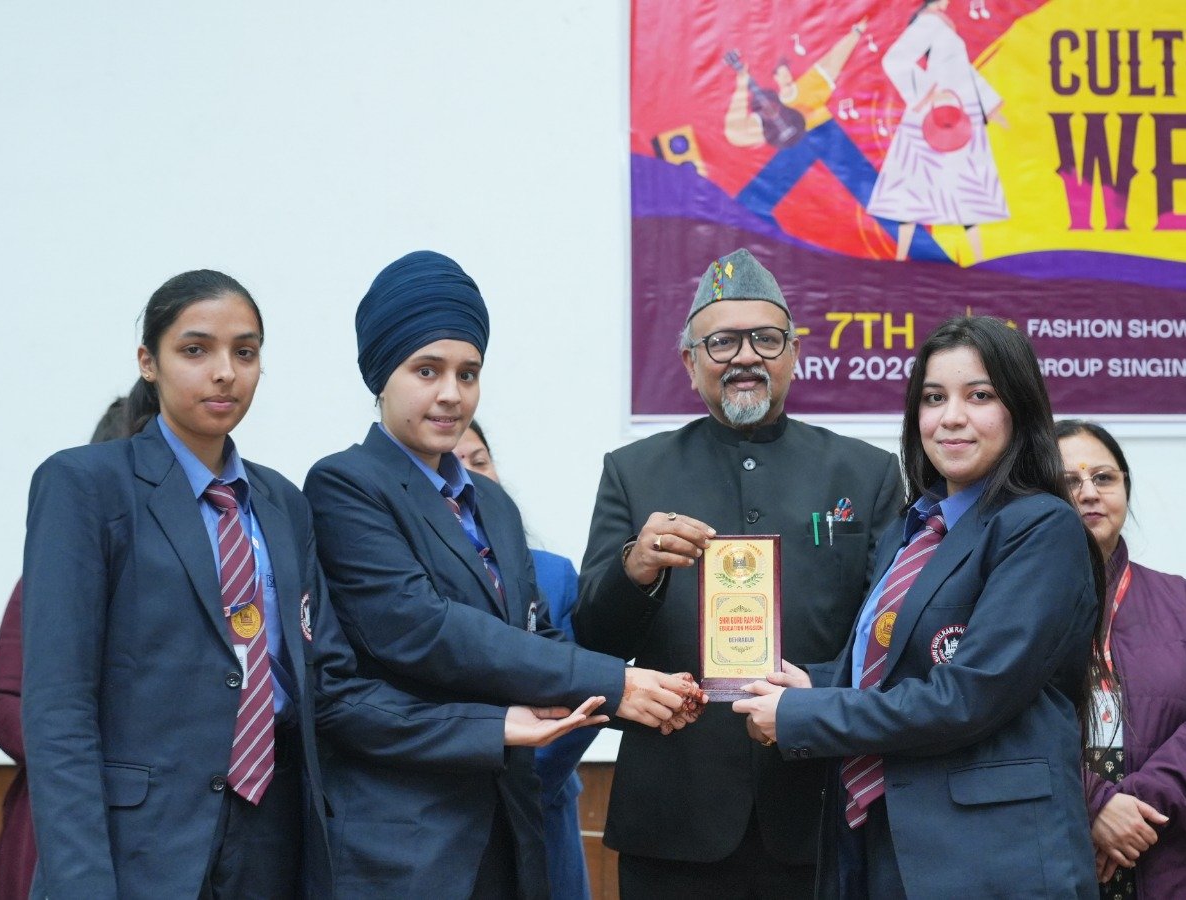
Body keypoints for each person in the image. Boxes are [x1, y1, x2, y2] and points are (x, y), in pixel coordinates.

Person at [22, 271, 587, 899]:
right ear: (148, 362)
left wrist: (493, 723)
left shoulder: (281, 503)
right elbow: (58, 708)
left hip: (276, 830)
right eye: (195, 350)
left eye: (245, 352)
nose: (224, 373)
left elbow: (325, 688)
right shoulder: (87, 484)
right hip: (142, 842)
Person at [304, 250, 701, 898]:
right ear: (381, 375)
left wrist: (642, 697)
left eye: (468, 373)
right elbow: (424, 630)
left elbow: (534, 637)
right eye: (427, 370)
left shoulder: (491, 504)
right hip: (405, 845)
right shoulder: (346, 485)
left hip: (510, 833)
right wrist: (613, 681)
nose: (451, 393)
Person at [733, 315, 1103, 898]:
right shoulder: (914, 531)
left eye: (979, 396)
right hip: (885, 839)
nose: (951, 416)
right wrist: (815, 683)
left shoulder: (1042, 528)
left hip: (994, 859)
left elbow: (968, 695)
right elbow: (895, 665)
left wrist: (805, 715)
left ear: (1020, 409)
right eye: (933, 398)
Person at [575, 247, 903, 898]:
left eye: (766, 339)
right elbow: (593, 638)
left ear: (794, 353)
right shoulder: (633, 473)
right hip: (674, 814)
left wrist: (815, 693)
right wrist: (634, 569)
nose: (745, 356)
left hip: (819, 805)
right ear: (689, 362)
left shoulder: (865, 474)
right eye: (722, 342)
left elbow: (889, 641)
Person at [1056, 419, 1186, 899]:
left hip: (1177, 864)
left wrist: (1132, 810)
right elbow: (1003, 725)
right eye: (1067, 482)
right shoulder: (1005, 602)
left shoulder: (1185, 602)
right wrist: (1093, 804)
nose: (1089, 493)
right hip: (1055, 858)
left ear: (1126, 488)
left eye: (1104, 478)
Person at [0, 398, 132, 900]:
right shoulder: (51, 573)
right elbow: (2, 701)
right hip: (64, 812)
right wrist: (82, 758)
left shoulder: (225, 571)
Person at [456, 420, 596, 900]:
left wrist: (523, 781)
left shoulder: (553, 574)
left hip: (541, 802)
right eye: (449, 465)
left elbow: (582, 690)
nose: (468, 476)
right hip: (441, 808)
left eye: (479, 461)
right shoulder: (402, 581)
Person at [867, 0, 1009, 263]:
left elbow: (963, 70)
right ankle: (902, 258)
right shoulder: (929, 22)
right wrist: (929, 92)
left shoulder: (940, 22)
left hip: (957, 109)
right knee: (920, 183)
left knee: (959, 185)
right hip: (936, 112)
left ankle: (977, 259)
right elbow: (895, 60)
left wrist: (990, 107)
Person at [727, 19, 875, 232]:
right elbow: (736, 133)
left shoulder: (807, 85)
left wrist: (856, 32)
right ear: (774, 78)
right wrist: (741, 86)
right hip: (797, 146)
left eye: (787, 70)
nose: (786, 75)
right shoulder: (771, 109)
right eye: (780, 72)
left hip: (825, 133)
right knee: (750, 202)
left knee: (873, 193)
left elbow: (834, 60)